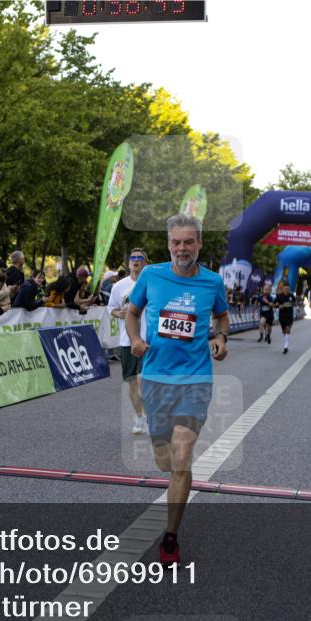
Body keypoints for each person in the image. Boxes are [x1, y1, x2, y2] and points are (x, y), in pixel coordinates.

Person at [126, 214, 229, 565]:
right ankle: (173, 477)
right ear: (168, 244)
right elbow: (131, 312)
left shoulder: (213, 282)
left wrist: (220, 337)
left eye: (188, 242)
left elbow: (222, 317)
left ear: (199, 244)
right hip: (155, 377)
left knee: (182, 452)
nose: (182, 248)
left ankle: (170, 537)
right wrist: (135, 339)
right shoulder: (152, 275)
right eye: (176, 242)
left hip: (195, 379)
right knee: (163, 458)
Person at [109, 248, 149, 435]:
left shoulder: (153, 283)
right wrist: (120, 313)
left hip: (149, 339)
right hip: (127, 340)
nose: (135, 260)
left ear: (145, 263)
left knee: (144, 381)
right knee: (132, 382)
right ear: (128, 263)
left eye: (140, 258)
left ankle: (151, 416)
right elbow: (112, 309)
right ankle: (140, 417)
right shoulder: (119, 286)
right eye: (132, 258)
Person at [275, 281, 295, 354]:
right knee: (284, 332)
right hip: (282, 316)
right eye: (284, 288)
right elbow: (274, 304)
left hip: (289, 316)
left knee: (287, 329)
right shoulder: (279, 296)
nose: (286, 289)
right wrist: (278, 306)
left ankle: (285, 347)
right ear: (282, 288)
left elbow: (294, 303)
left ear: (288, 288)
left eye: (287, 288)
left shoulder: (291, 296)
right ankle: (287, 337)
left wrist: (295, 305)